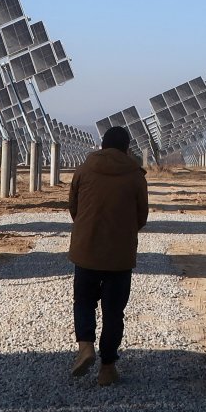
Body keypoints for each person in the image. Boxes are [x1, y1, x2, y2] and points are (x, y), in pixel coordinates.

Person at [67, 125, 149, 385]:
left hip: (86, 249)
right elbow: (142, 216)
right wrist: (123, 233)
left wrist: (86, 229)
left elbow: (74, 208)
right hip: (120, 256)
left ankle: (86, 347)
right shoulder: (136, 175)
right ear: (127, 149)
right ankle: (108, 367)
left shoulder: (83, 170)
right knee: (114, 312)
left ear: (102, 146)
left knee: (83, 302)